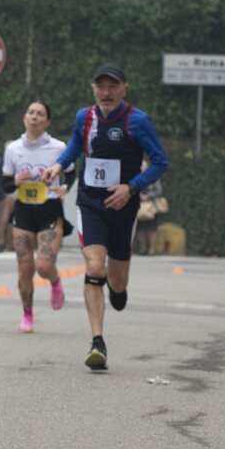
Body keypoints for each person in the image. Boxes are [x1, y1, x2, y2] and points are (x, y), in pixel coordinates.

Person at [44, 64, 169, 371]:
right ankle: (97, 341)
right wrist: (59, 164)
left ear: (124, 88)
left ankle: (118, 289)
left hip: (124, 207)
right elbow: (76, 143)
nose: (106, 92)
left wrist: (131, 187)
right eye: (100, 86)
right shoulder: (84, 117)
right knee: (95, 266)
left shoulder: (138, 121)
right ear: (93, 89)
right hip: (91, 203)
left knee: (117, 279)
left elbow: (160, 162)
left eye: (113, 86)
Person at [1, 101, 68, 333]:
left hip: (49, 209)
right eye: (31, 113)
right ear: (25, 118)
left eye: (40, 114)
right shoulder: (13, 149)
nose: (35, 117)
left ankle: (55, 281)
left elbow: (71, 173)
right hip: (24, 211)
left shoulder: (58, 147)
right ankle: (27, 314)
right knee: (25, 268)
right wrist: (15, 181)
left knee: (44, 265)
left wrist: (65, 187)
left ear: (47, 121)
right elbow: (5, 184)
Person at [133, 178, 166, 254]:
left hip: (152, 205)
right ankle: (142, 248)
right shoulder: (137, 176)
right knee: (140, 228)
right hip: (139, 205)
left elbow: (159, 190)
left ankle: (152, 249)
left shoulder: (154, 177)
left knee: (152, 228)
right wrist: (139, 195)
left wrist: (148, 195)